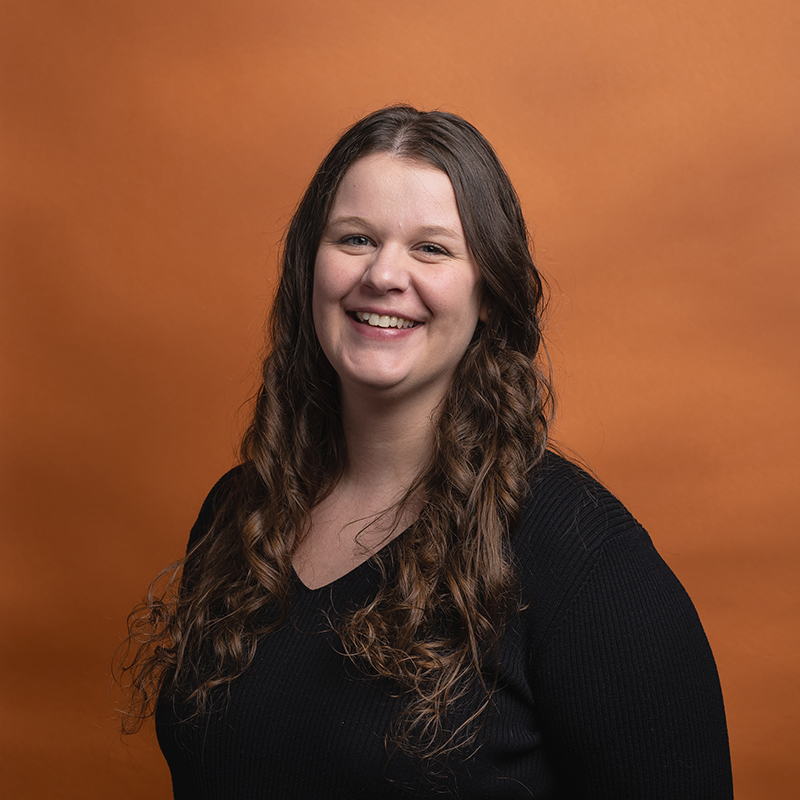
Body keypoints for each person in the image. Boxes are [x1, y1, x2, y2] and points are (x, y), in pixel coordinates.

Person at [120, 105, 733, 798]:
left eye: (433, 248)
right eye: (355, 238)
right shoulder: (240, 514)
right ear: (307, 270)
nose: (383, 275)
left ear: (490, 297)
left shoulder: (586, 559)